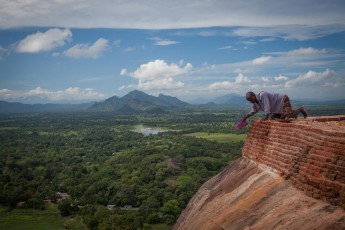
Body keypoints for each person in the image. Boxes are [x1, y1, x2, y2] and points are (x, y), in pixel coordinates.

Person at [242, 91, 308, 121]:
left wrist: (266, 117)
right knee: (276, 119)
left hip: (283, 100)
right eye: (249, 100)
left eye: (251, 99)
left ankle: (301, 109)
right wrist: (246, 116)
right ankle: (291, 113)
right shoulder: (255, 102)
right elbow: (254, 110)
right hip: (276, 108)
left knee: (287, 118)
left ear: (254, 95)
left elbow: (267, 106)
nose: (251, 101)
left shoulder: (262, 95)